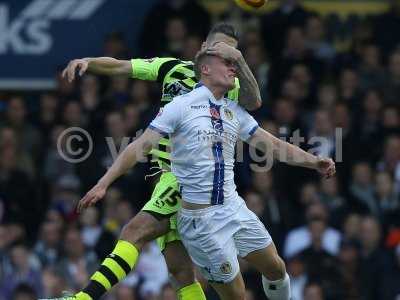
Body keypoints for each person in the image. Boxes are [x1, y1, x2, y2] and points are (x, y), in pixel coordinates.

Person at [68, 51, 335, 299]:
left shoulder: (233, 110)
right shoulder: (180, 106)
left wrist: (314, 162)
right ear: (205, 69)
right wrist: (104, 183)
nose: (233, 69)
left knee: (277, 268)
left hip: (233, 208)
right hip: (201, 222)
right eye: (226, 63)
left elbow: (274, 145)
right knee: (234, 294)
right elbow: (140, 146)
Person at [49, 23, 261, 300]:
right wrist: (89, 62)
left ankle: (83, 298)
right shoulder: (172, 68)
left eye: (231, 55)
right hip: (163, 176)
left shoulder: (230, 86)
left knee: (133, 231)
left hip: (188, 179)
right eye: (219, 49)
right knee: (179, 270)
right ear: (202, 50)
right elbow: (121, 67)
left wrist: (242, 66)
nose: (225, 57)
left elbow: (254, 101)